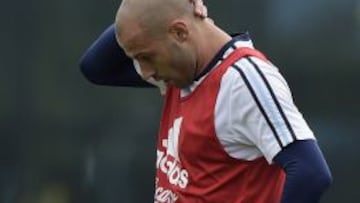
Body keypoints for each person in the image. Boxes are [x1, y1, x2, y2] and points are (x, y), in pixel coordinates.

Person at [80, 0, 332, 202]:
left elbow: (310, 174)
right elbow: (95, 67)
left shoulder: (242, 79)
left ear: (179, 32)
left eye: (146, 57)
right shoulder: (179, 73)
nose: (144, 72)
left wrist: (166, 9)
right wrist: (161, 7)